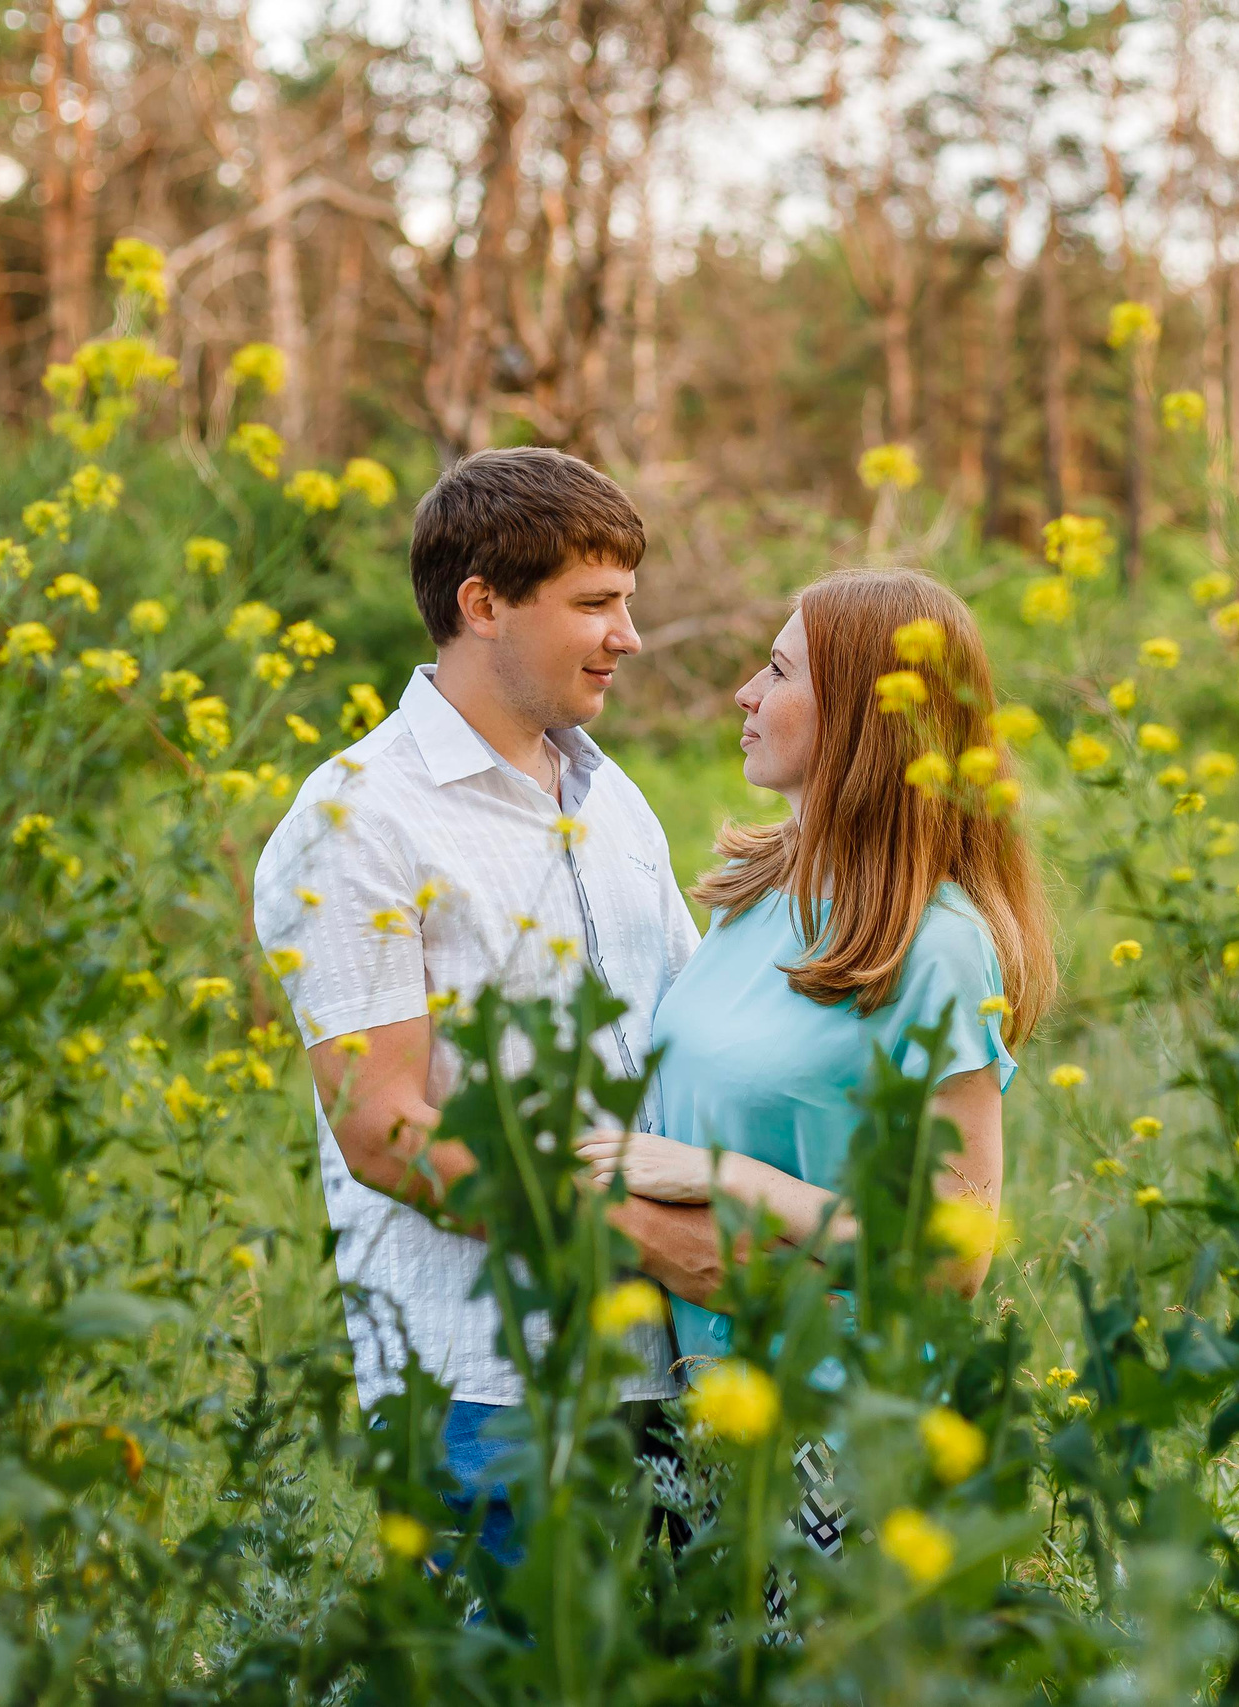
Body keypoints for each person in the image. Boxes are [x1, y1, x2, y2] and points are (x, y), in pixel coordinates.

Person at [252, 447, 721, 1565]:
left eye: (627, 602)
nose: (628, 636)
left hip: (672, 1370)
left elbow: (683, 1037)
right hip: (491, 1392)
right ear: (483, 605)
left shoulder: (610, 795)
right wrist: (650, 1239)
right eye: (594, 604)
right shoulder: (359, 818)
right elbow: (384, 1129)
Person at [579, 567, 1054, 1384]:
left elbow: (954, 1260)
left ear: (866, 712)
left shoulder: (937, 944)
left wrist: (726, 1178)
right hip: (704, 1404)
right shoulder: (751, 895)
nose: (745, 692)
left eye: (778, 671)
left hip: (844, 1413)